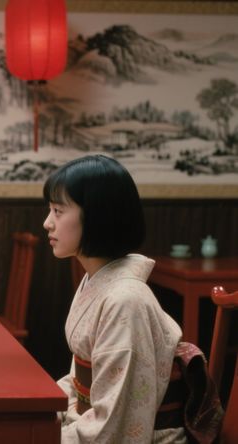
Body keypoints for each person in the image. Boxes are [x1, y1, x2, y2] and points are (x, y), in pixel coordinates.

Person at [42, 155, 188, 443]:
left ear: (97, 216)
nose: (47, 223)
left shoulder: (126, 300)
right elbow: (79, 382)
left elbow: (115, 425)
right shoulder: (96, 281)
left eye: (58, 211)